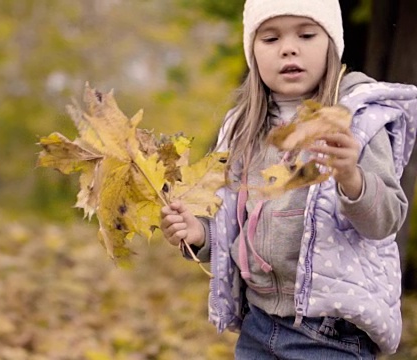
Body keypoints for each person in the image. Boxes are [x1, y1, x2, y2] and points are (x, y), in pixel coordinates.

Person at [159, 0, 417, 358]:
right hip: (258, 325)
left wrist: (350, 177)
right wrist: (199, 234)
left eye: (307, 34)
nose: (289, 47)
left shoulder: (356, 121)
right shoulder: (243, 130)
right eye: (270, 38)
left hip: (330, 335)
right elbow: (237, 227)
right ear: (253, 52)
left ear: (331, 43)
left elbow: (385, 220)